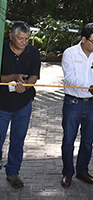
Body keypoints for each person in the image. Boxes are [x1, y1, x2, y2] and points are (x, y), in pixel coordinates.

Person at [61, 23, 93, 187]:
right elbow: (69, 79)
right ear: (83, 39)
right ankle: (67, 172)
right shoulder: (69, 53)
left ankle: (82, 171)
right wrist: (88, 88)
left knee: (88, 141)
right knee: (69, 140)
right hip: (73, 102)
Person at [0, 21, 41, 188]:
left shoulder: (33, 52)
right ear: (11, 36)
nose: (24, 42)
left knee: (18, 139)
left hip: (23, 104)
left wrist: (26, 86)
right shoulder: (1, 49)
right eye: (20, 39)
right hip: (2, 105)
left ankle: (13, 172)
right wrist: (13, 76)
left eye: (26, 39)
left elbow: (34, 75)